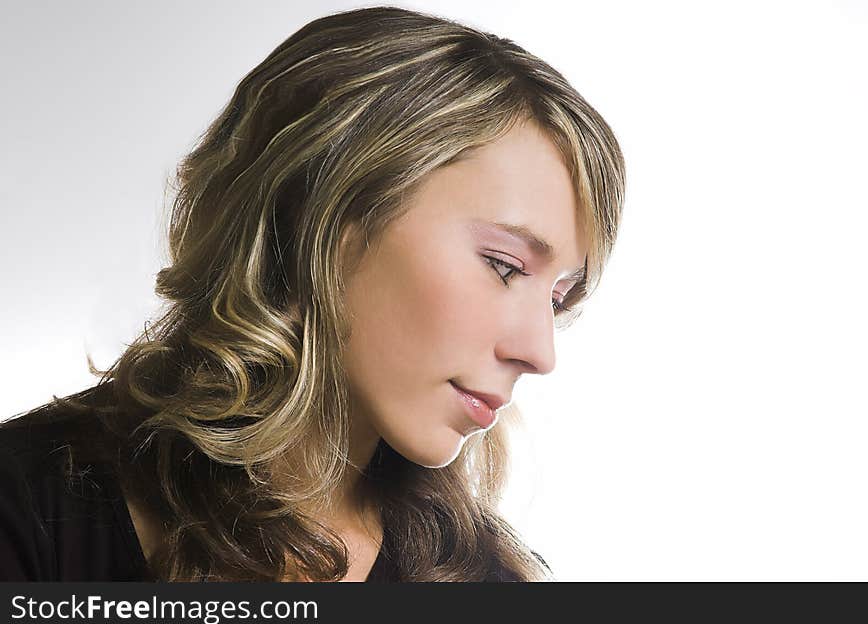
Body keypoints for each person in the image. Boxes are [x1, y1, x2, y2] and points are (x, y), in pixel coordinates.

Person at [0, 5, 625, 582]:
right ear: (316, 218)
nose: (540, 352)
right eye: (504, 265)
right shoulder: (27, 507)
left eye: (558, 298)